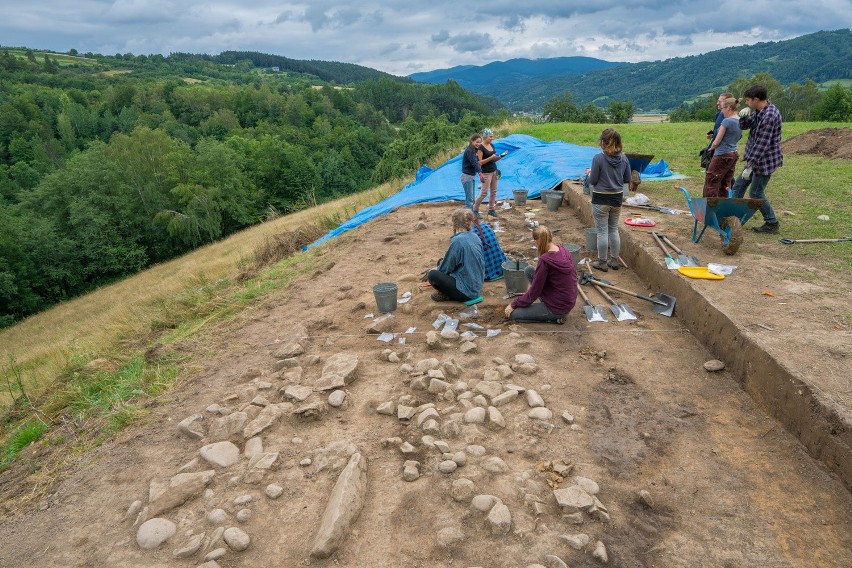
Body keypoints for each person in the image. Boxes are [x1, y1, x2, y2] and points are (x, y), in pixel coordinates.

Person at [731, 85, 783, 234]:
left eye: (748, 100)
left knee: (756, 193)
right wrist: (743, 117)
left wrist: (750, 165)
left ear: (756, 99)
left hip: (764, 161)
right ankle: (733, 218)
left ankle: (772, 223)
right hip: (754, 159)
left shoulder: (769, 116)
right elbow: (745, 126)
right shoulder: (759, 111)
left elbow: (762, 143)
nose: (746, 102)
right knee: (738, 186)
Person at [504, 225, 577, 324]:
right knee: (529, 270)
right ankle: (553, 309)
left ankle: (555, 318)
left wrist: (514, 304)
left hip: (557, 307)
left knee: (514, 314)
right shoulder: (564, 251)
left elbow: (535, 291)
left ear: (536, 241)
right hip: (567, 300)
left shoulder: (545, 261)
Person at [587, 128, 631, 272]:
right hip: (617, 198)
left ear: (603, 142)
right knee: (613, 229)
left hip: (601, 198)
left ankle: (602, 262)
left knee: (602, 231)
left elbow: (593, 180)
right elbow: (627, 179)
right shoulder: (624, 158)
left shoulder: (598, 158)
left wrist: (589, 173)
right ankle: (614, 260)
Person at [427, 208, 485, 302]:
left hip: (467, 292)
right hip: (477, 285)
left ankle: (446, 294)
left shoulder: (457, 241)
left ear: (455, 223)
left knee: (432, 275)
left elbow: (446, 268)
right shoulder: (475, 236)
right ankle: (448, 292)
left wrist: (434, 270)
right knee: (441, 262)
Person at [702, 97, 743, 198]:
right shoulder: (740, 120)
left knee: (711, 181)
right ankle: (723, 206)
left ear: (728, 108)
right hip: (733, 153)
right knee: (726, 181)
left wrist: (711, 148)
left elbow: (717, 141)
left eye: (723, 108)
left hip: (721, 154)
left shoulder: (726, 121)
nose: (721, 111)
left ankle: (709, 206)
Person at [473, 128, 506, 218]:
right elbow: (480, 162)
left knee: (493, 191)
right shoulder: (480, 148)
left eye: (492, 136)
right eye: (490, 136)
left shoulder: (491, 145)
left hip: (493, 171)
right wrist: (491, 158)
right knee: (484, 192)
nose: (492, 138)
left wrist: (499, 157)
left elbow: (493, 157)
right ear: (485, 136)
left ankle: (491, 209)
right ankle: (475, 209)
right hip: (486, 173)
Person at [460, 134, 483, 211]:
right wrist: (480, 173)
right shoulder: (469, 151)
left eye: (480, 142)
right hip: (467, 177)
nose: (478, 144)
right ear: (472, 141)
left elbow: (477, 162)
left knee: (471, 199)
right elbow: (474, 162)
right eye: (477, 142)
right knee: (469, 200)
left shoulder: (474, 150)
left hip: (471, 176)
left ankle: (471, 215)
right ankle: (468, 217)